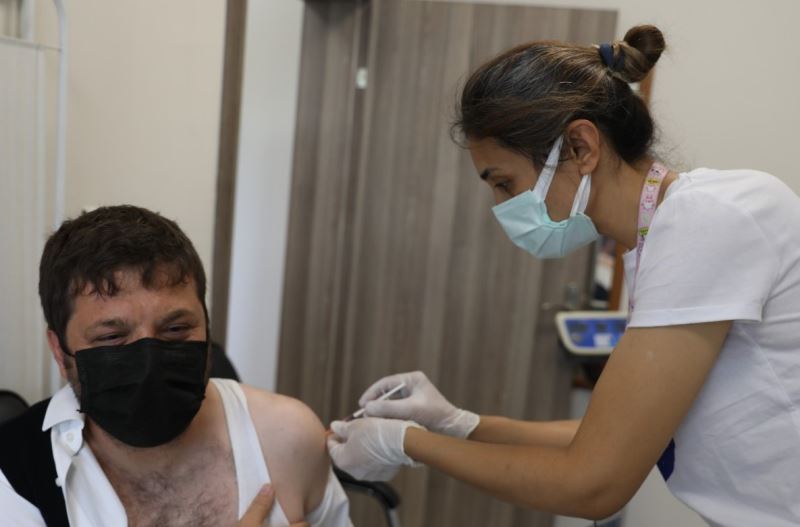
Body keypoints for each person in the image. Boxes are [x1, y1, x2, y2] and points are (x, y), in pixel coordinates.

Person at [327, 24, 800, 526]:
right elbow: (606, 437)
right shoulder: (657, 241)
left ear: (580, 147)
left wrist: (405, 444)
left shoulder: (709, 219)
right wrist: (459, 423)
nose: (502, 207)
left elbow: (593, 482)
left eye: (506, 184)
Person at [0, 205, 351, 526]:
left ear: (206, 325)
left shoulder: (287, 436)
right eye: (112, 337)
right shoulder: (14, 476)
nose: (148, 363)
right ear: (59, 351)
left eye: (176, 329)